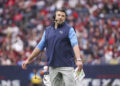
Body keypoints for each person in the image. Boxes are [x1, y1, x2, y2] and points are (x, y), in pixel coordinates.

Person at [22, 9, 83, 86]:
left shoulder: (69, 29)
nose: (60, 17)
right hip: (53, 66)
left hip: (67, 66)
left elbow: (75, 44)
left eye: (63, 16)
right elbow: (39, 47)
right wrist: (28, 60)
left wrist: (78, 59)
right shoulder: (47, 30)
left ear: (65, 18)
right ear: (55, 16)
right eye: (59, 15)